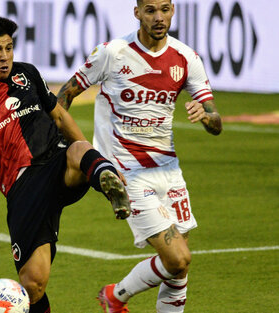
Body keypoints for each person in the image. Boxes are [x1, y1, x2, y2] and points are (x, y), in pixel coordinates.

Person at [0, 16, 130, 313]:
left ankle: (105, 175)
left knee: (79, 149)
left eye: (8, 48)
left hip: (56, 163)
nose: (4, 57)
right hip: (23, 185)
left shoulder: (27, 73)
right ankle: (98, 170)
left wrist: (93, 158)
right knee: (32, 284)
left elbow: (59, 116)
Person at [57, 0, 222, 312]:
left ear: (173, 10)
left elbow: (216, 123)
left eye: (165, 9)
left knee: (178, 266)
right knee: (177, 258)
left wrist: (206, 115)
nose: (159, 18)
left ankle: (114, 299)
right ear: (137, 13)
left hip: (169, 171)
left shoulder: (186, 58)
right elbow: (64, 95)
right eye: (150, 10)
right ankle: (116, 296)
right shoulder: (112, 52)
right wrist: (53, 140)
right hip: (125, 172)